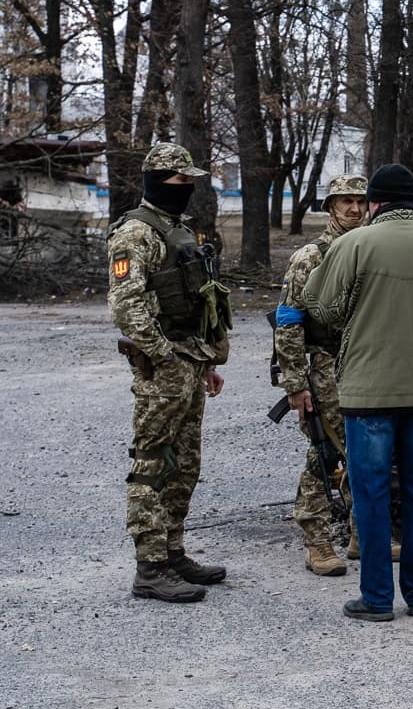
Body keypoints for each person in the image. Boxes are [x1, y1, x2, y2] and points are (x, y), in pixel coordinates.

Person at [304, 164, 413, 621]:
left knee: (372, 494)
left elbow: (320, 305)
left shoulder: (353, 244)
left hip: (368, 393)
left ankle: (377, 598)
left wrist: (356, 313)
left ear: (376, 202)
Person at [107, 142, 232, 603]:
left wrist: (202, 363)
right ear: (159, 182)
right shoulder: (135, 233)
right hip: (163, 369)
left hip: (187, 362)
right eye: (181, 182)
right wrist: (164, 357)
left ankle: (173, 552)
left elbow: (195, 300)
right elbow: (126, 306)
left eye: (190, 183)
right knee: (152, 463)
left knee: (186, 463)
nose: (187, 189)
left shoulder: (176, 229)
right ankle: (150, 567)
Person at [272, 174, 367, 577]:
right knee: (325, 451)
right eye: (345, 201)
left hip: (366, 363)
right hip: (325, 365)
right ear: (330, 206)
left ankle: (363, 534)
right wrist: (295, 383)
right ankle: (317, 540)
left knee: (367, 449)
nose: (354, 209)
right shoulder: (311, 256)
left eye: (361, 201)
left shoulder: (371, 250)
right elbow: (289, 320)